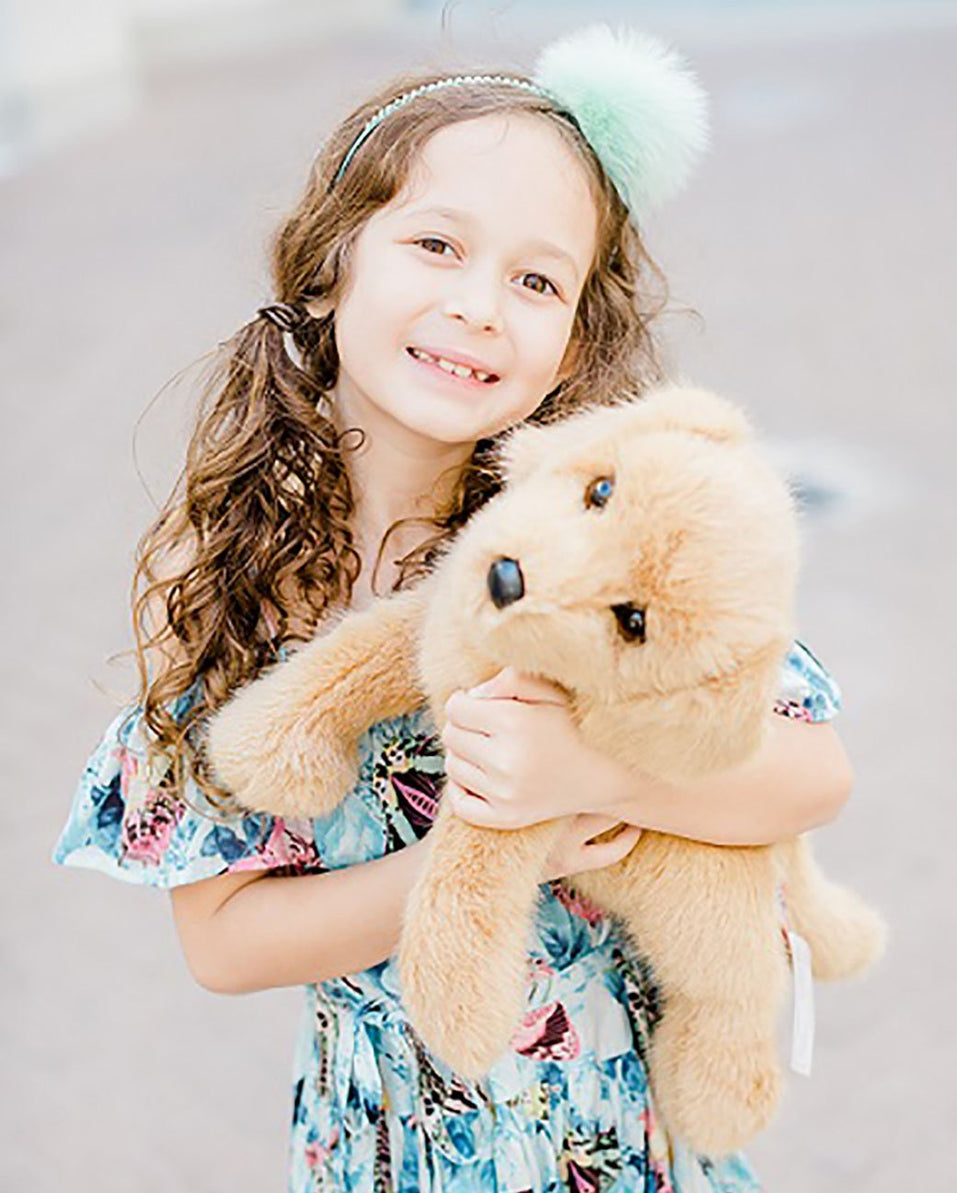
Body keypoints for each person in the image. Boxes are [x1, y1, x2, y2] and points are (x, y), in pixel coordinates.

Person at [55, 26, 851, 1193]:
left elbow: (812, 769)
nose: (480, 307)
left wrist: (591, 765)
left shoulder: (599, 528)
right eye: (436, 244)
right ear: (331, 267)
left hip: (618, 1135)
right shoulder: (234, 581)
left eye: (536, 279)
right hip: (393, 1146)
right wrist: (482, 850)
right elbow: (223, 939)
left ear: (574, 333)